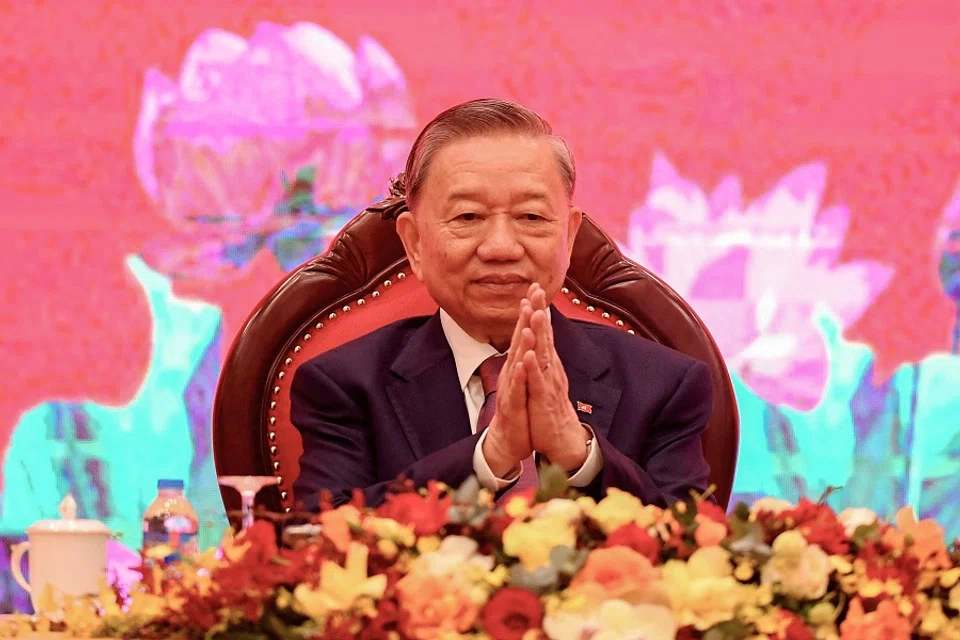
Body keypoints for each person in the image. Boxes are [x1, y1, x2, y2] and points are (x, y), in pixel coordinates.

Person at [291, 98, 713, 509]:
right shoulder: (345, 386)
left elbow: (692, 541)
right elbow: (319, 535)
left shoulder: (663, 386)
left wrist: (579, 454)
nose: (500, 247)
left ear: (568, 236)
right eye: (468, 217)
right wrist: (487, 458)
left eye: (531, 217)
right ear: (415, 243)